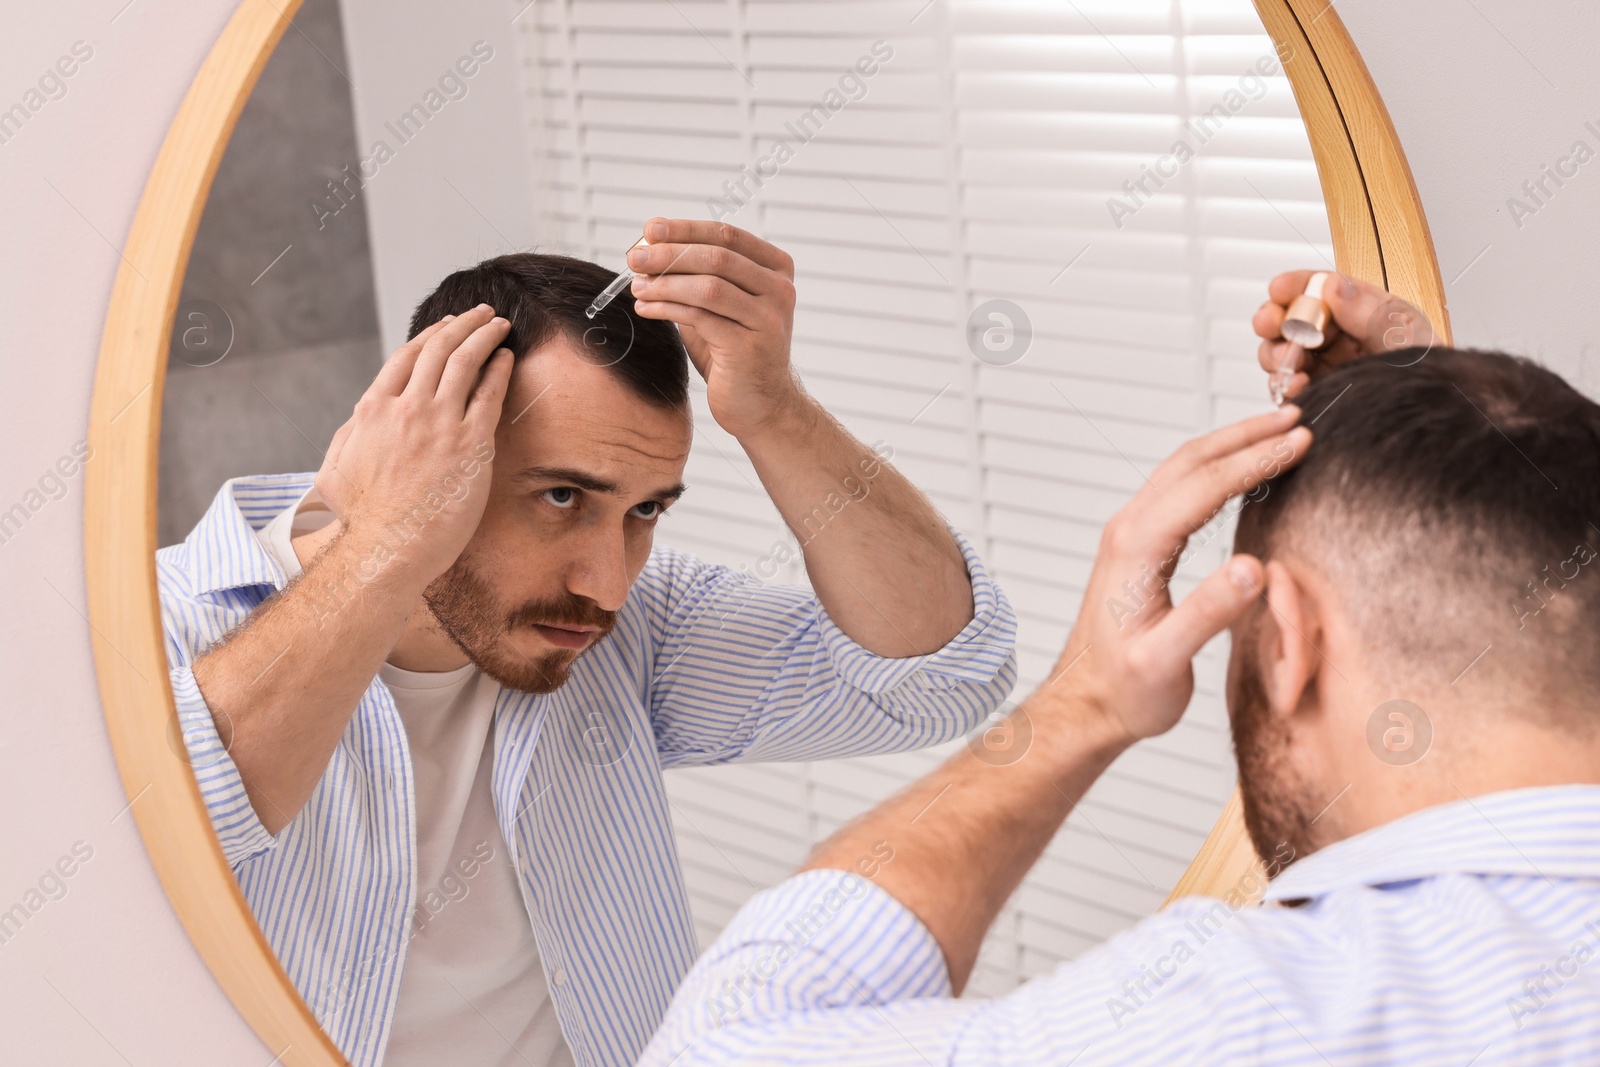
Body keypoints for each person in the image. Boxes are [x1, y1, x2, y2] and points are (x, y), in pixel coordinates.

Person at [639, 272, 1600, 1066]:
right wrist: (1429, 442)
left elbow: (730, 1045)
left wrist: (1085, 701)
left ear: (1288, 641)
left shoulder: (1262, 1017)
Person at [156, 220, 1019, 1067]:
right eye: (564, 496)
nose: (607, 583)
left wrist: (775, 412)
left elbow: (940, 679)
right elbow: (175, 821)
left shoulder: (624, 629)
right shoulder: (161, 621)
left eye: (645, 509)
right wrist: (384, 544)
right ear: (422, 445)